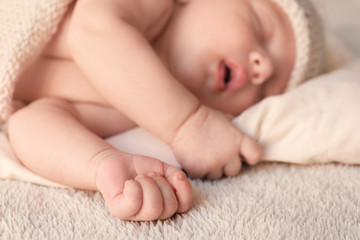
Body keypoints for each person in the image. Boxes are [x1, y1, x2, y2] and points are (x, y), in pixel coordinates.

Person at [3, 0, 324, 221]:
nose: (263, 68)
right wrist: (188, 123)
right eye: (261, 28)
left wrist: (102, 164)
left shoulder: (131, 112)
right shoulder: (156, 7)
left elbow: (29, 122)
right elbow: (93, 32)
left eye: (267, 90)